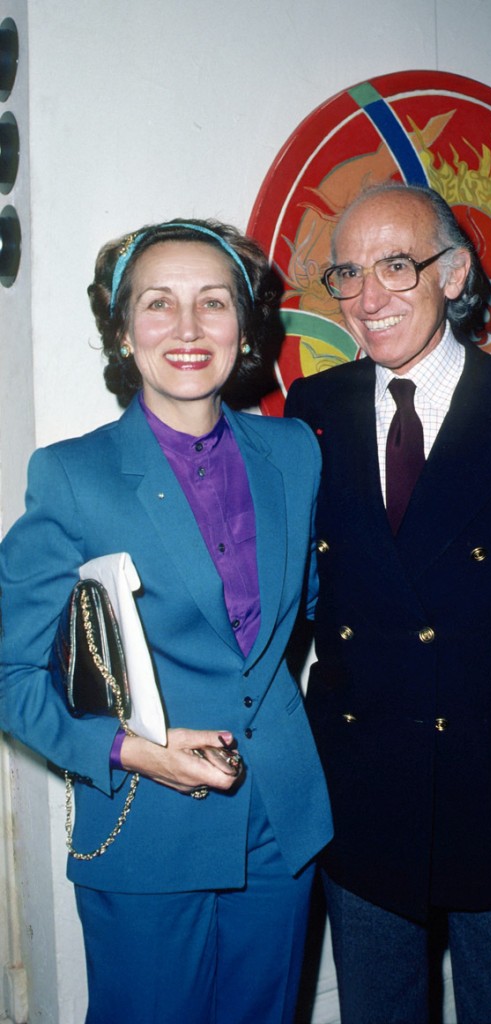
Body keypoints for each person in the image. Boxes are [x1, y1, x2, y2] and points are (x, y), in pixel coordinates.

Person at [285, 182, 491, 1024]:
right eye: (347, 274)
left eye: (396, 267)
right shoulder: (312, 410)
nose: (367, 299)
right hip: (361, 791)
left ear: (455, 274)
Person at [0, 218, 332, 1024]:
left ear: (245, 326)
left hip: (280, 822)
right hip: (146, 828)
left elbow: (316, 611)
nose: (187, 329)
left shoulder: (294, 452)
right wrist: (124, 749)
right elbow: (8, 671)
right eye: (158, 303)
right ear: (122, 332)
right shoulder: (73, 476)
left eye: (212, 303)